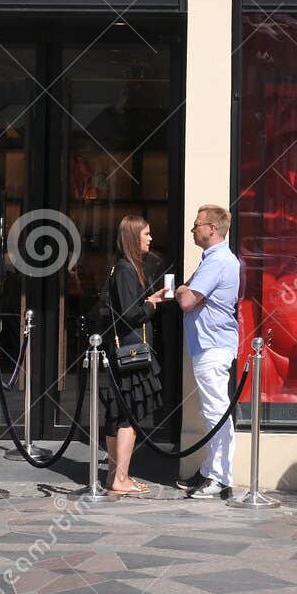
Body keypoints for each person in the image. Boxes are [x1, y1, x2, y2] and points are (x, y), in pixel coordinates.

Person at [173, 204, 241, 499]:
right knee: (212, 410)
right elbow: (190, 293)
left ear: (213, 228)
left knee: (216, 412)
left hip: (213, 345)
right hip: (210, 343)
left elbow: (187, 300)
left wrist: (181, 292)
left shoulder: (217, 261)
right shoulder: (213, 259)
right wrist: (185, 290)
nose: (192, 229)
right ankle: (210, 470)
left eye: (197, 224)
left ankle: (220, 478)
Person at [99, 215, 167, 496]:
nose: (150, 239)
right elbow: (130, 314)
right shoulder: (127, 269)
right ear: (133, 237)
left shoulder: (122, 268)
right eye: (146, 234)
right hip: (131, 355)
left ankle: (114, 477)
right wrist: (151, 304)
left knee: (118, 415)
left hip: (123, 353)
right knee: (129, 417)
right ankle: (121, 479)